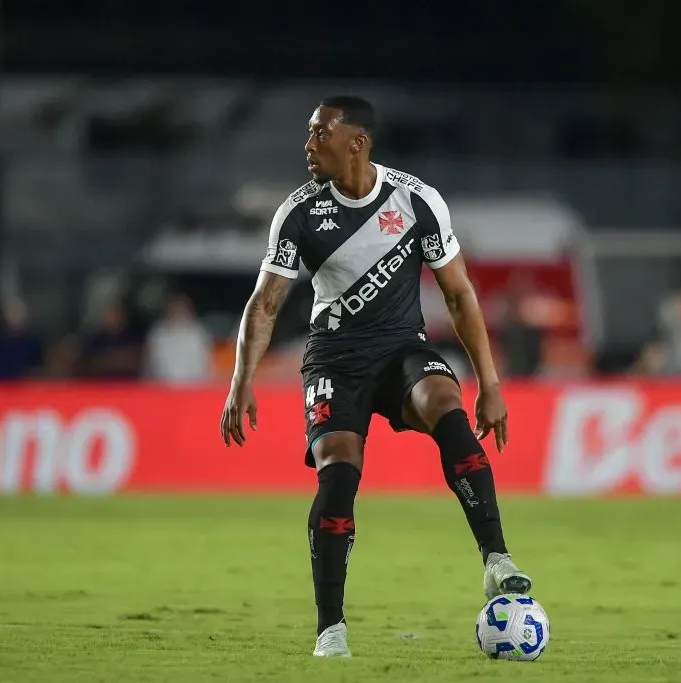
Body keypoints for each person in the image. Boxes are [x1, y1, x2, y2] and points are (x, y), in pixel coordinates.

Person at [219, 96, 531, 658]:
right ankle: (330, 629)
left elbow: (458, 293)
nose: (308, 145)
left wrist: (490, 381)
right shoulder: (299, 214)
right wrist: (242, 380)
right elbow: (265, 304)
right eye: (310, 134)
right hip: (334, 362)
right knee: (340, 474)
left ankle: (496, 559)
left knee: (446, 405)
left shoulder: (416, 201)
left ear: (356, 143)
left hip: (401, 350)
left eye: (320, 134)